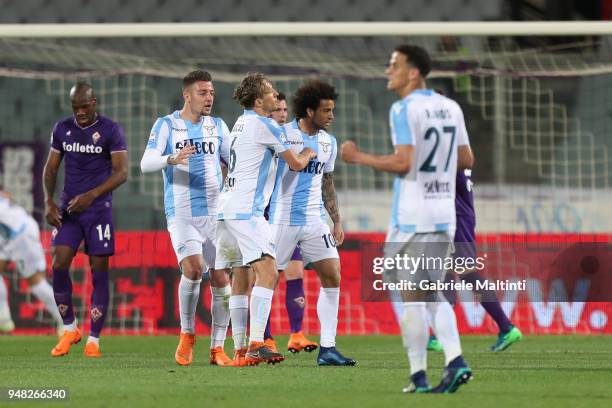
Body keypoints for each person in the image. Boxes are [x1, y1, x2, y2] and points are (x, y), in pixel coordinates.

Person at [341, 45, 473, 393]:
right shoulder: (451, 107)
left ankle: (428, 370)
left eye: (394, 64)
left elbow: (404, 163)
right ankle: (442, 367)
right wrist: (438, 169)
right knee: (431, 293)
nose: (389, 70)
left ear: (413, 72)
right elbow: (467, 157)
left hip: (412, 217)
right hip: (444, 215)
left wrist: (358, 157)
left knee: (413, 296)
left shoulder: (403, 109)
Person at [215, 73, 316, 366]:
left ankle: (239, 351)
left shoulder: (240, 122)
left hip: (227, 207)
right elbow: (296, 164)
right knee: (269, 272)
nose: (276, 96)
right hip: (247, 211)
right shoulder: (266, 125)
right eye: (271, 93)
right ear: (259, 101)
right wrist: (309, 151)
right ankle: (258, 343)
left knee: (241, 278)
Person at [140, 70, 234, 366]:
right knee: (194, 270)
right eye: (203, 92)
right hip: (181, 214)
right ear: (187, 95)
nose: (209, 98)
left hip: (214, 214)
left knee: (221, 279)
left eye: (211, 93)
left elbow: (236, 162)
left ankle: (217, 348)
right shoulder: (167, 125)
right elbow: (145, 163)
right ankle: (187, 334)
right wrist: (170, 158)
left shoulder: (218, 126)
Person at [268, 80, 355, 366]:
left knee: (333, 274)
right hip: (282, 219)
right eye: (326, 110)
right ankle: (256, 341)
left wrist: (336, 220)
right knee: (266, 280)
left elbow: (326, 182)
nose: (331, 116)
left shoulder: (329, 142)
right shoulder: (283, 134)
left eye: (332, 110)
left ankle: (327, 348)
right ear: (309, 110)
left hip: (314, 220)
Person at [43, 82, 128, 357]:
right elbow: (51, 167)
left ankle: (94, 339)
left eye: (83, 107)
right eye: (75, 107)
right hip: (69, 210)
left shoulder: (111, 130)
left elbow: (121, 173)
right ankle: (70, 329)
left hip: (98, 210)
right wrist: (48, 201)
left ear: (94, 102)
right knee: (58, 264)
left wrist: (91, 196)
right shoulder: (62, 129)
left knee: (98, 271)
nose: (79, 112)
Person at [264, 91, 318, 354]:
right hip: (263, 216)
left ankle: (296, 333)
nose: (282, 114)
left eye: (285, 110)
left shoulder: (288, 138)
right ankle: (264, 337)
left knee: (295, 272)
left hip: (286, 217)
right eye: (277, 110)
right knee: (267, 277)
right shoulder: (262, 136)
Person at [0, 192, 63, 334]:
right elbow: (8, 195)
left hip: (20, 233)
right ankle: (3, 320)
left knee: (35, 281)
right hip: (9, 233)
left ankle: (66, 320)